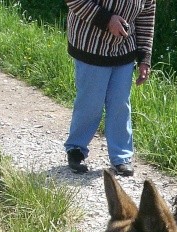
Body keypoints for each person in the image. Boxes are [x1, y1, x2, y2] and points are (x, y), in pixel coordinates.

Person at [64, 0, 156, 176]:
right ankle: (76, 149)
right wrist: (107, 20)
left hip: (124, 47)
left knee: (120, 103)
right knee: (91, 102)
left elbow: (147, 14)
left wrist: (145, 57)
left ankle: (121, 158)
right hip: (90, 44)